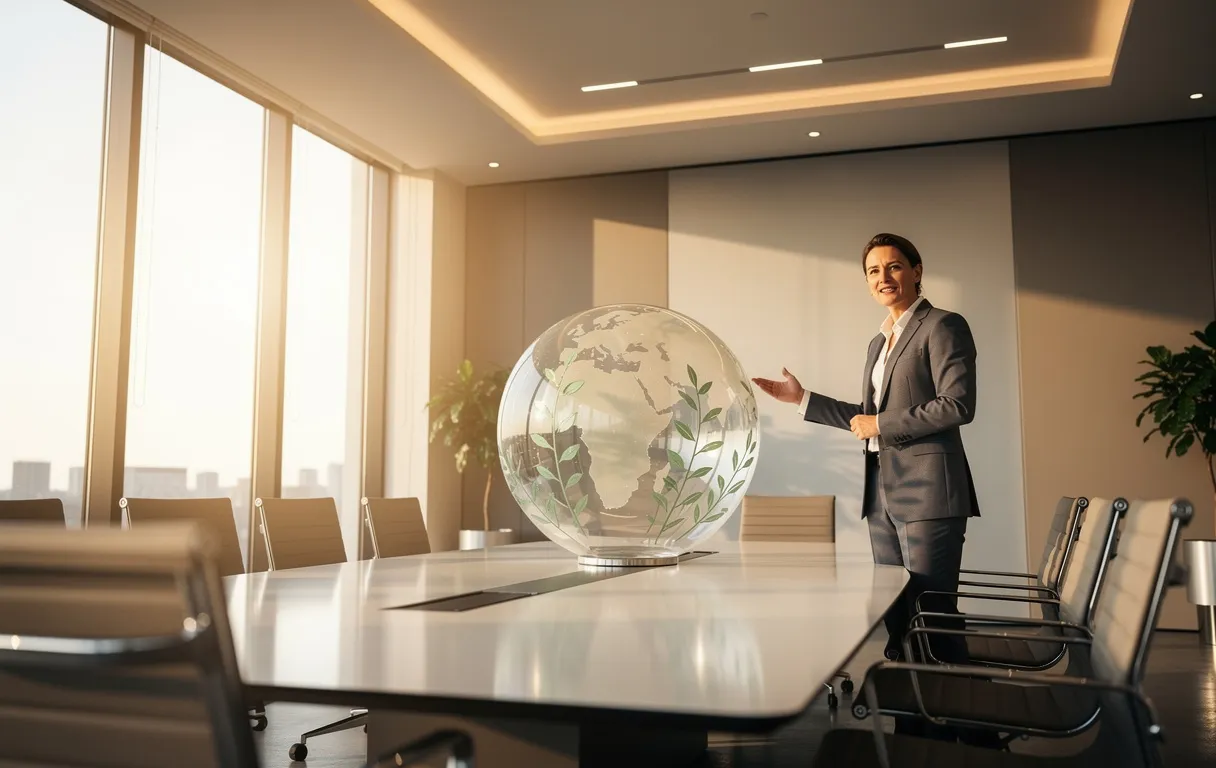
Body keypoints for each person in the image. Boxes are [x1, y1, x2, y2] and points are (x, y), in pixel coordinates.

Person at [752, 233, 980, 665]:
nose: (883, 277)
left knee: (932, 610)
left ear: (916, 273)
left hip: (929, 493)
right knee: (896, 611)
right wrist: (802, 400)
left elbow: (957, 405)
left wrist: (881, 423)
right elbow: (867, 417)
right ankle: (909, 708)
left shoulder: (943, 325)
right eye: (873, 271)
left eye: (893, 267)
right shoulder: (879, 342)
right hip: (881, 495)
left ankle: (964, 717)